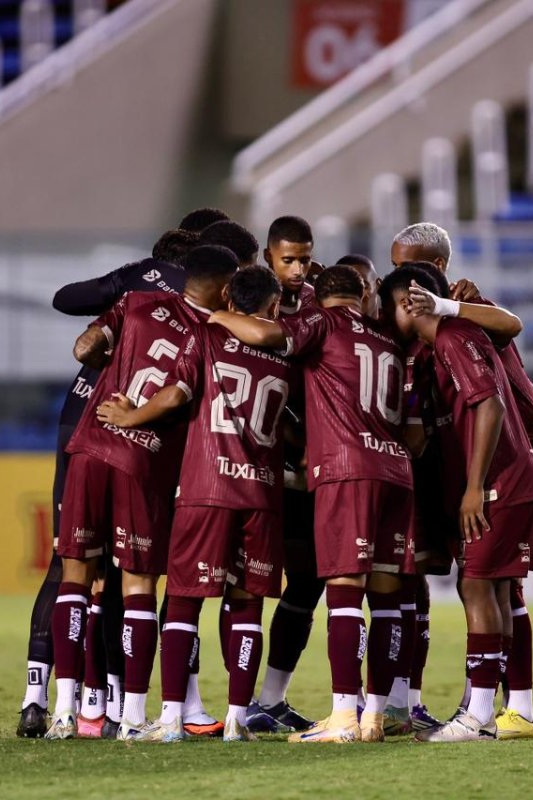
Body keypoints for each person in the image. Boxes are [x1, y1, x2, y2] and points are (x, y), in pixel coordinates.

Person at [211, 265, 417, 744]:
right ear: (364, 293)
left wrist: (218, 315)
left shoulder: (323, 323)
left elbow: (267, 333)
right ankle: (374, 717)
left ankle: (344, 716)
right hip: (396, 471)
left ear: (320, 300)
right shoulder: (388, 340)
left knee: (344, 590)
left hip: (348, 468)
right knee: (386, 599)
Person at [45, 245, 240, 739]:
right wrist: (137, 416)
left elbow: (84, 348)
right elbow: (178, 394)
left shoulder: (135, 302)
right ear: (222, 289)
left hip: (89, 447)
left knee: (75, 576)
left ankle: (64, 713)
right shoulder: (214, 334)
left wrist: (115, 362)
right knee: (137, 588)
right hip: (144, 461)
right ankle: (132, 716)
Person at [96, 266, 292, 742]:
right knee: (247, 608)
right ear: (271, 307)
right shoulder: (288, 354)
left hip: (207, 489)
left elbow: (177, 392)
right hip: (262, 492)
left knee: (183, 605)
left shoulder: (205, 335)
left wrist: (131, 415)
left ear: (228, 297)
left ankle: (168, 721)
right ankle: (238, 721)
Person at [15, 229, 196, 739]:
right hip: (138, 436)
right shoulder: (206, 315)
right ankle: (115, 704)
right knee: (131, 574)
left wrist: (123, 281)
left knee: (71, 563)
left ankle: (48, 701)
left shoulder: (134, 290)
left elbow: (67, 302)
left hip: (82, 424)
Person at [378, 266, 533, 742]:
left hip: (499, 482)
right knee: (487, 591)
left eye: (391, 306)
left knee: (477, 589)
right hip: (508, 479)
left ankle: (478, 715)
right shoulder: (457, 336)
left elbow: (488, 405)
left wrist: (474, 487)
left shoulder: (451, 337)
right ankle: (488, 712)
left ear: (411, 302)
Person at [245, 218, 322, 733]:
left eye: (304, 259)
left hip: (304, 471)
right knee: (240, 584)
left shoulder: (319, 307)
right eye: (287, 260)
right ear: (268, 258)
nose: (297, 270)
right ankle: (218, 704)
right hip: (250, 466)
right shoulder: (245, 303)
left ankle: (271, 699)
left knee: (309, 579)